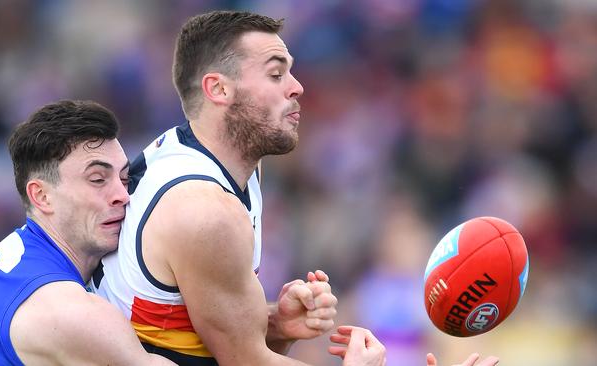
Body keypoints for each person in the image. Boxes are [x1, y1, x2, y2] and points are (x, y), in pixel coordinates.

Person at [90, 10, 497, 366]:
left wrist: (277, 324)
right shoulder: (204, 209)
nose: (297, 86)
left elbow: (212, 336)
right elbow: (244, 361)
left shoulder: (213, 161)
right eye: (275, 73)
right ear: (218, 89)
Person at [0, 100, 176, 365]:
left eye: (125, 179)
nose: (122, 195)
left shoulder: (24, 257)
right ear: (42, 196)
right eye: (98, 179)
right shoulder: (66, 311)